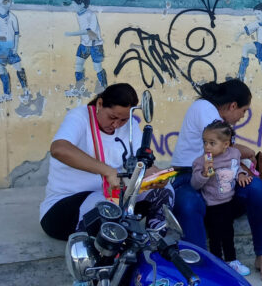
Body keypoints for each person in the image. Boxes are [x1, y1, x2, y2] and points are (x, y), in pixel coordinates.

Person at [171, 79, 262, 283]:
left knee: (257, 188)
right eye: (244, 110)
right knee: (189, 203)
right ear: (232, 105)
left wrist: (240, 170)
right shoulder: (205, 107)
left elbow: (227, 155)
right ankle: (201, 268)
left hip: (221, 176)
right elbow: (220, 147)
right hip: (190, 174)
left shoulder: (218, 119)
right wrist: (244, 150)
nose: (242, 116)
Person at [40, 83, 173, 240]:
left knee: (164, 190)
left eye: (123, 120)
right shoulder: (79, 117)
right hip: (63, 210)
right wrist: (108, 171)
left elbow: (142, 162)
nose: (116, 125)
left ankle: (154, 240)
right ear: (100, 104)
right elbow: (59, 149)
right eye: (112, 117)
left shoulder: (130, 126)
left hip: (113, 200)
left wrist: (151, 174)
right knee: (105, 206)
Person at [191, 120, 252, 275]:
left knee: (228, 233)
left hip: (229, 201)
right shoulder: (200, 161)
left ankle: (232, 261)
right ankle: (216, 263)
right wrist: (204, 174)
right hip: (212, 205)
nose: (207, 147)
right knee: (215, 236)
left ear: (225, 144)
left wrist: (241, 175)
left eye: (212, 143)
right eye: (205, 142)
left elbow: (236, 167)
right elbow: (195, 184)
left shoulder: (234, 154)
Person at [63, 0, 108, 96]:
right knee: (78, 65)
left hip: (95, 46)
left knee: (97, 68)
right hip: (84, 45)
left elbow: (88, 31)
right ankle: (79, 89)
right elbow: (71, 5)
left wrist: (71, 34)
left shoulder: (90, 15)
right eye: (72, 4)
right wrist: (66, 3)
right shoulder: (79, 13)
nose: (73, 6)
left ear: (82, 4)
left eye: (74, 4)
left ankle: (104, 89)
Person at [0, 0, 31, 103]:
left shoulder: (13, 17)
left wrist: (15, 48)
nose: (6, 0)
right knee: (1, 71)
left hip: (11, 49)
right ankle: (7, 94)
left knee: (19, 68)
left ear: (12, 0)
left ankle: (26, 90)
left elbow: (17, 34)